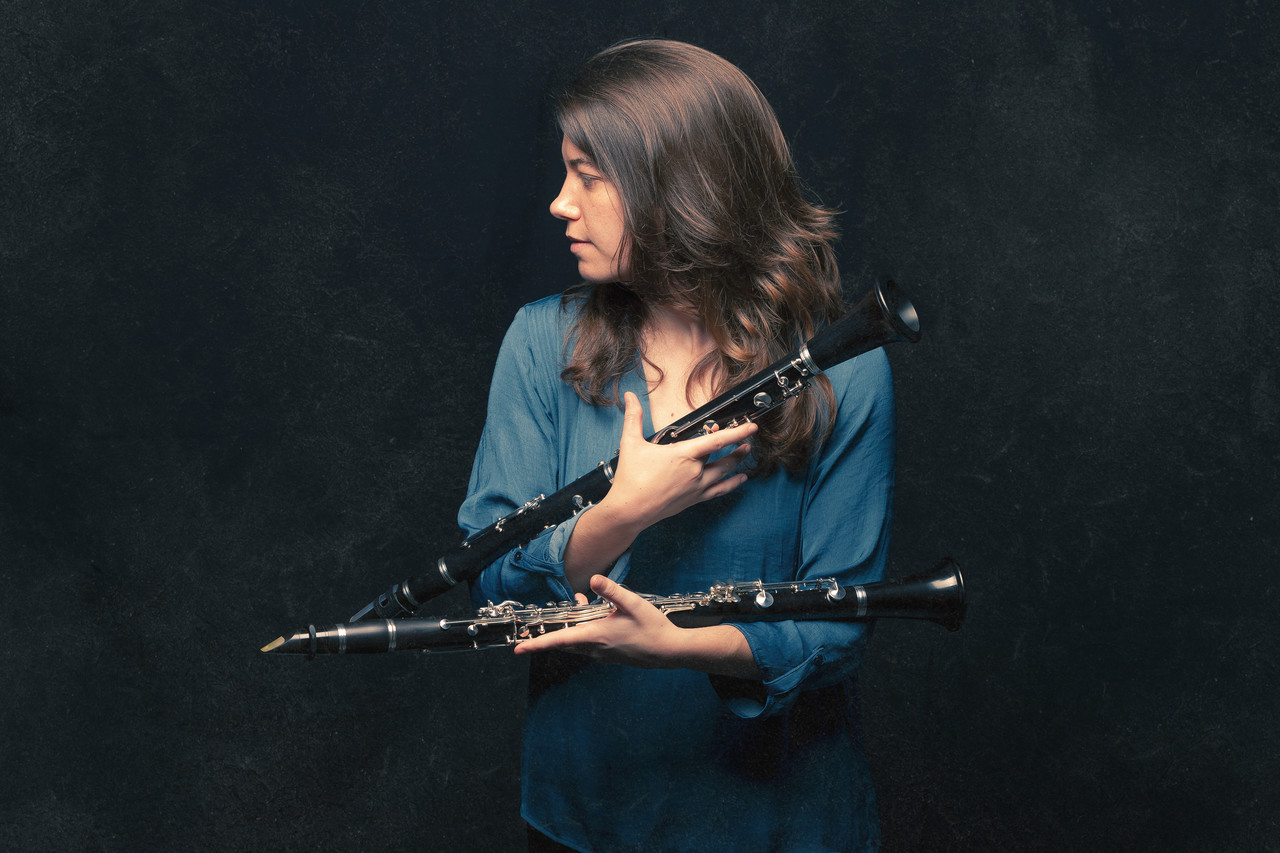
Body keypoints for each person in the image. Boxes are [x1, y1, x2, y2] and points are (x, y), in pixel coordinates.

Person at [459, 39, 896, 853]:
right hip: (586, 814)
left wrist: (678, 649)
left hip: (784, 824)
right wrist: (622, 514)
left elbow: (839, 625)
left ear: (679, 188)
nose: (559, 203)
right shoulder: (540, 342)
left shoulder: (844, 367)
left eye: (589, 176)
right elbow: (493, 584)